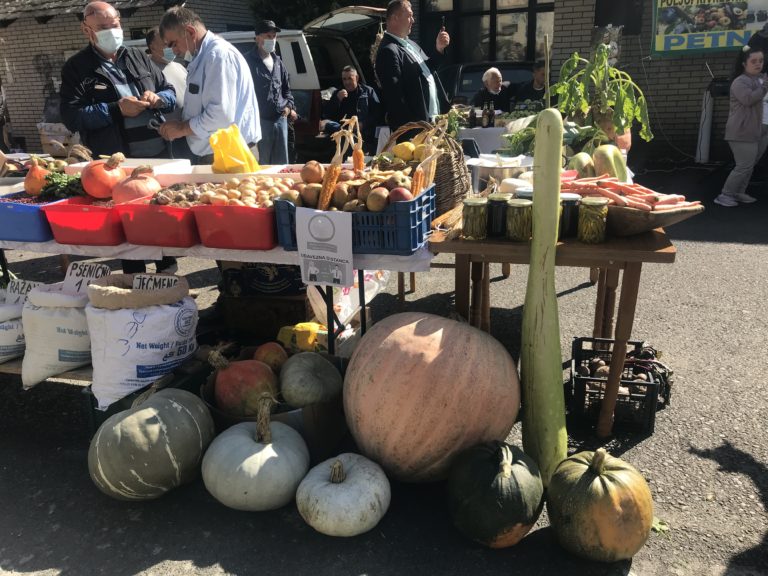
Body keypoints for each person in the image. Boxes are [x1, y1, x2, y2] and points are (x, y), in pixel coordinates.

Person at [60, 1, 177, 275]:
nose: (111, 31)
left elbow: (169, 90)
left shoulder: (138, 56)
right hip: (115, 166)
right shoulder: (77, 68)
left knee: (160, 222)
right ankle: (135, 280)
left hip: (156, 158)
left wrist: (159, 99)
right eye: (102, 28)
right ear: (86, 30)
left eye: (114, 25)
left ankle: (167, 277)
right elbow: (72, 116)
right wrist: (115, 110)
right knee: (128, 229)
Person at [158, 6, 261, 165]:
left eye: (174, 43)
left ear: (190, 32)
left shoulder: (217, 56)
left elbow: (220, 115)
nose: (174, 50)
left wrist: (181, 128)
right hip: (220, 153)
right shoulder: (204, 55)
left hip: (230, 156)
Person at [375, 0, 450, 133]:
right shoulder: (388, 51)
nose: (413, 20)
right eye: (409, 15)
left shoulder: (411, 44)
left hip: (433, 123)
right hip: (417, 130)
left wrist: (439, 48)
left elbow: (429, 69)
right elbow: (396, 99)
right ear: (394, 18)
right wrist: (415, 130)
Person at [714, 46, 768, 207]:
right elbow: (748, 99)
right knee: (743, 165)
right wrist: (765, 87)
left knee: (750, 165)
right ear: (744, 64)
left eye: (761, 61)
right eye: (754, 61)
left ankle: (739, 192)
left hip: (762, 129)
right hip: (742, 131)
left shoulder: (761, 78)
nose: (758, 64)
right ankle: (725, 195)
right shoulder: (740, 82)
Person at [244, 20, 295, 165]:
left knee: (281, 164)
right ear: (257, 37)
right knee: (263, 165)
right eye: (268, 36)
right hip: (260, 122)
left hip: (280, 120)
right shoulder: (247, 61)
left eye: (274, 36)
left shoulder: (278, 62)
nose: (272, 40)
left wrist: (289, 107)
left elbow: (287, 89)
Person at [145, 26, 192, 160]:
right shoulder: (147, 72)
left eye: (173, 43)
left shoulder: (179, 66)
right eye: (167, 44)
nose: (172, 48)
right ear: (152, 47)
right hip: (169, 138)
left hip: (188, 132)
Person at [322, 66, 382, 154]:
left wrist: (363, 124)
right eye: (344, 79)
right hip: (344, 136)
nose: (347, 82)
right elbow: (327, 114)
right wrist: (337, 100)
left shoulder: (368, 91)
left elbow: (378, 114)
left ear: (357, 78)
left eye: (350, 78)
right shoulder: (338, 93)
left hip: (364, 136)